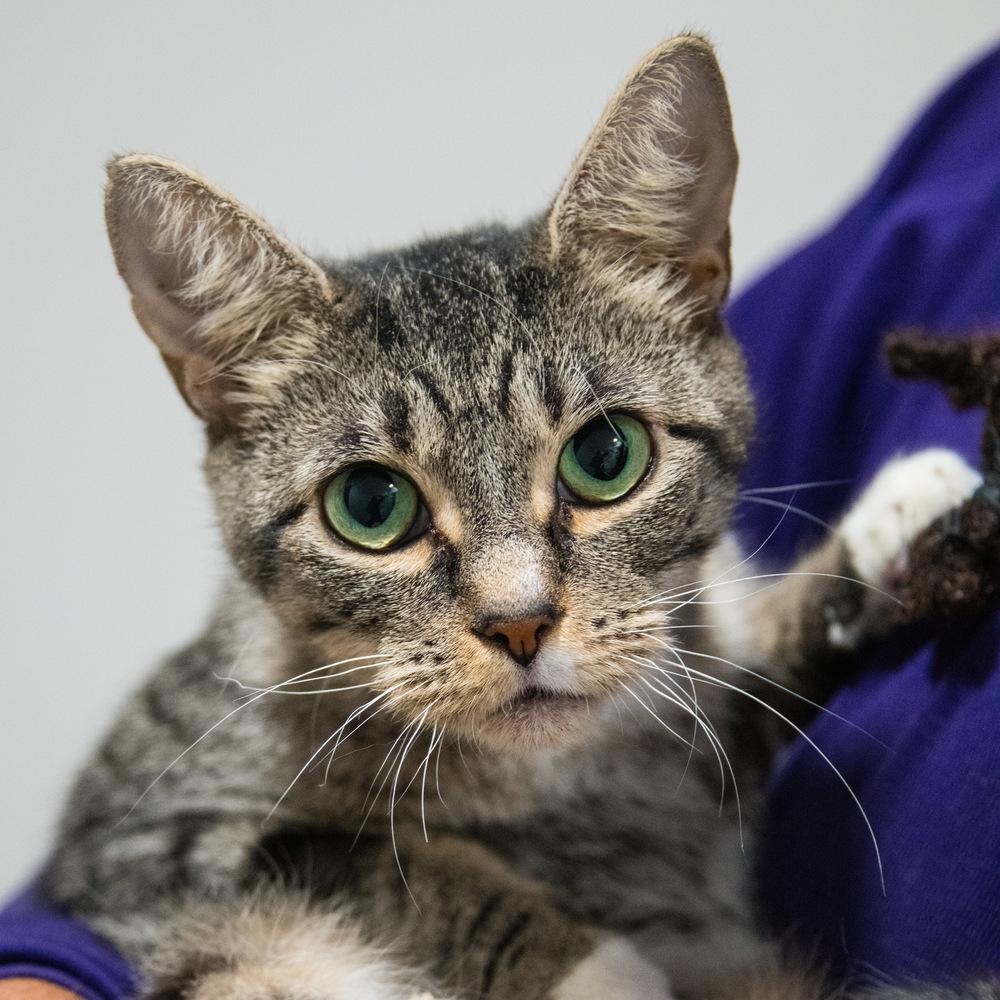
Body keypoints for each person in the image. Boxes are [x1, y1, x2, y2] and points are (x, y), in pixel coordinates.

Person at [2, 41, 998, 1000]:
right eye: (374, 504)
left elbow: (722, 765)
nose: (516, 606)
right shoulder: (274, 720)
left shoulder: (686, 636)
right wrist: (499, 941)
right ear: (224, 389)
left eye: (602, 459)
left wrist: (807, 627)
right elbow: (116, 871)